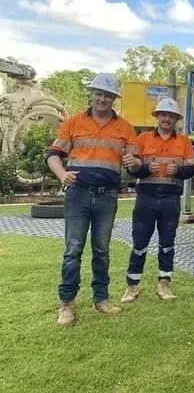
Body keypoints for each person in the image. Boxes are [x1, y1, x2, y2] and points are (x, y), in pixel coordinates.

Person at [47, 73, 139, 327]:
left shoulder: (125, 127)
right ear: (92, 94)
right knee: (72, 249)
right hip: (78, 195)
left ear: (114, 99)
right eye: (99, 93)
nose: (102, 99)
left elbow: (135, 163)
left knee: (102, 250)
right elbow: (53, 154)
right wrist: (62, 173)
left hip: (107, 196)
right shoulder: (73, 122)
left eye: (107, 95)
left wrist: (135, 162)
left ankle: (101, 299)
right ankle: (67, 304)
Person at [120, 98, 194, 303]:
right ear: (157, 116)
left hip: (171, 198)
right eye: (163, 114)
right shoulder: (143, 138)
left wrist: (179, 170)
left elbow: (191, 169)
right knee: (139, 242)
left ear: (176, 119)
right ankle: (132, 286)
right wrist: (145, 168)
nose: (167, 119)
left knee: (167, 243)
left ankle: (164, 284)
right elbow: (131, 167)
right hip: (146, 197)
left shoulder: (184, 142)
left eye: (171, 116)